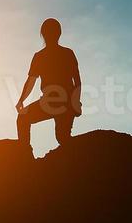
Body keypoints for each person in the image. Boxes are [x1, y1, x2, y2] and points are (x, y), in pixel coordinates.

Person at [14, 18, 83, 150]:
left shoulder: (40, 56)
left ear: (43, 34)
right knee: (63, 137)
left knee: (23, 119)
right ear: (59, 34)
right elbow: (78, 82)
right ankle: (24, 155)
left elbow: (30, 82)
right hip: (62, 102)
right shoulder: (67, 53)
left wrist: (21, 101)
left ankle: (24, 155)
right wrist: (75, 102)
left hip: (56, 102)